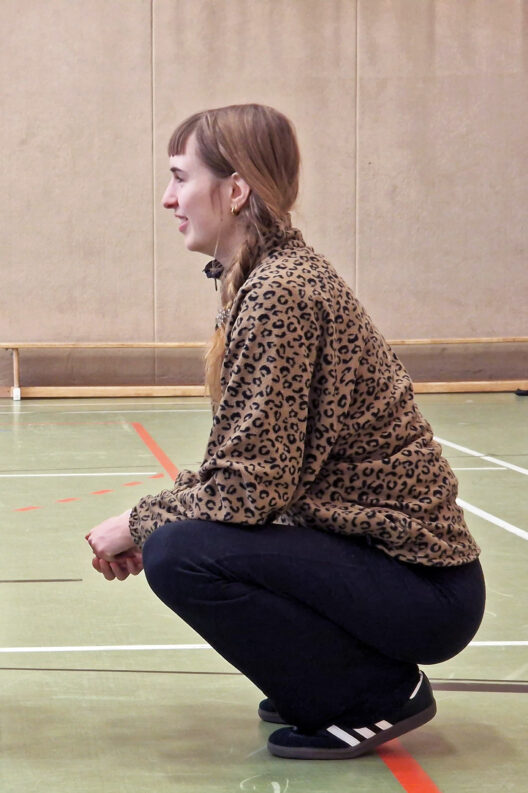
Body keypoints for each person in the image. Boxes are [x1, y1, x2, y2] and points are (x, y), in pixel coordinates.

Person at [85, 104, 484, 759]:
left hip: (423, 586)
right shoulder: (262, 281)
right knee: (186, 537)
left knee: (179, 553)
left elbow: (250, 489)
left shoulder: (281, 295)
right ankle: (328, 669)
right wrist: (159, 514)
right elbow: (246, 470)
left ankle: (372, 693)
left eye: (181, 177)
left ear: (236, 189)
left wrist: (139, 521)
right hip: (400, 570)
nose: (167, 198)